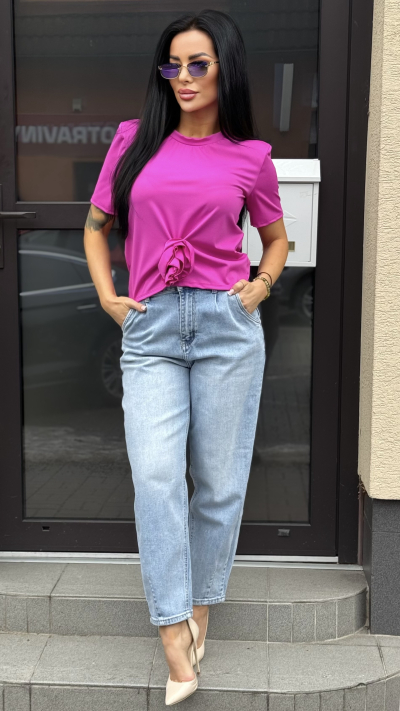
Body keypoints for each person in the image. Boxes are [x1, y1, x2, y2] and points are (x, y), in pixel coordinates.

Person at [83, 8, 288, 706]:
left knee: (220, 482)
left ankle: (200, 608)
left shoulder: (250, 157)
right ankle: (173, 631)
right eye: (173, 64)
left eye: (199, 63)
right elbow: (96, 226)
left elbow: (276, 239)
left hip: (227, 324)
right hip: (152, 327)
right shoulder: (133, 141)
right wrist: (108, 297)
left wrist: (259, 286)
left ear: (226, 68)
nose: (184, 77)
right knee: (157, 475)